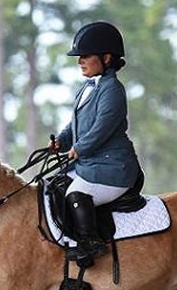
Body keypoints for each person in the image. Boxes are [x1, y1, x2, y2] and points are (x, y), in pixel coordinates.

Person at [49, 21, 142, 268]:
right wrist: (62, 141)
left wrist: (78, 149)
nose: (80, 60)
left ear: (107, 57)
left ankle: (91, 243)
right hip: (89, 163)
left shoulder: (112, 90)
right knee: (52, 186)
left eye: (85, 56)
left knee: (75, 194)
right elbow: (75, 125)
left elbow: (101, 129)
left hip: (111, 168)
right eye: (79, 56)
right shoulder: (87, 88)